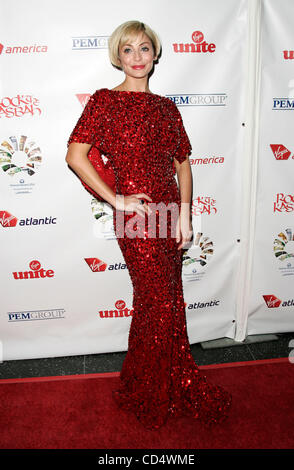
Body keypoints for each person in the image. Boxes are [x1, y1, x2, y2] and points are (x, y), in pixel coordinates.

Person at [65, 20, 232, 431]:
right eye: (128, 50)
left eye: (144, 49)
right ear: (117, 57)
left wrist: (187, 214)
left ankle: (159, 378)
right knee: (156, 299)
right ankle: (152, 385)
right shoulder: (104, 102)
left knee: (168, 301)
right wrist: (116, 198)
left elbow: (183, 164)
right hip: (137, 217)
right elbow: (75, 156)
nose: (137, 58)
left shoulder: (166, 108)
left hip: (169, 211)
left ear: (155, 54)